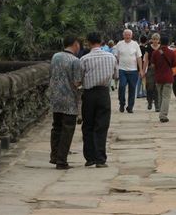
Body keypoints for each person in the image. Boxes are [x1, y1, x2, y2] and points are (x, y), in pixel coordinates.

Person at [79, 32, 118, 167]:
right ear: (101, 42)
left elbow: (79, 79)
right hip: (103, 93)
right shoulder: (111, 57)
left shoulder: (84, 59)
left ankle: (90, 158)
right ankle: (100, 158)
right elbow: (115, 75)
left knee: (88, 125)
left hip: (89, 94)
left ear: (89, 43)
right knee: (102, 126)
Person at [48, 36, 81, 170]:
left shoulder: (55, 57)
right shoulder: (75, 61)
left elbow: (51, 74)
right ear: (75, 44)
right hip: (69, 100)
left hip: (55, 97)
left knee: (56, 127)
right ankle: (62, 160)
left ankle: (54, 156)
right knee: (67, 129)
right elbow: (77, 81)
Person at [113, 29, 142, 113]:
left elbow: (139, 57)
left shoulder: (135, 44)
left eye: (129, 35)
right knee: (121, 86)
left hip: (133, 70)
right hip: (122, 70)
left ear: (131, 36)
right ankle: (122, 103)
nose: (127, 36)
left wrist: (140, 69)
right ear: (123, 35)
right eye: (126, 34)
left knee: (132, 89)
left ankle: (130, 107)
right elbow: (116, 57)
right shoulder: (119, 44)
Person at [153, 35, 176, 122]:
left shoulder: (155, 53)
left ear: (160, 42)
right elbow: (174, 65)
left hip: (158, 77)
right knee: (166, 97)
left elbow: (153, 64)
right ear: (168, 43)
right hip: (168, 77)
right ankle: (163, 115)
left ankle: (161, 111)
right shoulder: (171, 53)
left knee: (160, 95)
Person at [143, 33, 160, 111]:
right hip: (150, 69)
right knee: (149, 86)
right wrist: (143, 71)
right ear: (152, 40)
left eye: (156, 39)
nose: (155, 41)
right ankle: (149, 102)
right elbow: (146, 60)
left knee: (157, 88)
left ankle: (157, 105)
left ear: (159, 40)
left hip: (159, 69)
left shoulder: (161, 49)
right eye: (154, 39)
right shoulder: (148, 48)